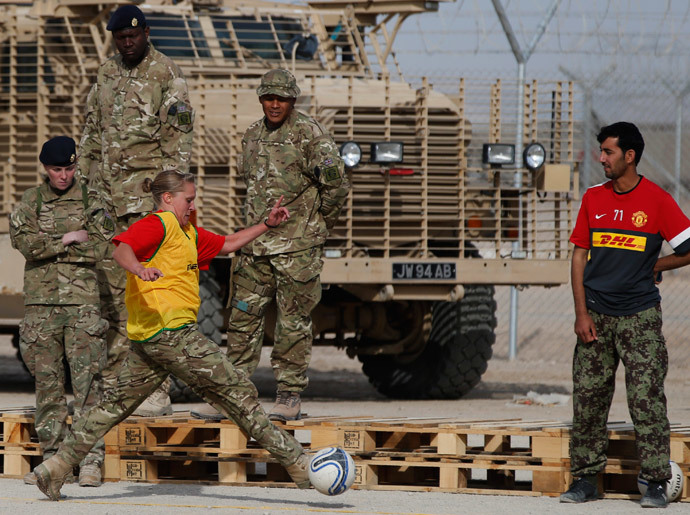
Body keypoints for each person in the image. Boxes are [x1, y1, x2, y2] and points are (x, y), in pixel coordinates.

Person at [32, 170, 312, 501]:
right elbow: (121, 249)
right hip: (173, 334)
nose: (192, 206)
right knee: (238, 391)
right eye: (188, 200)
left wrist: (267, 225)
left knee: (112, 406)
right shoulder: (158, 224)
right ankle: (300, 465)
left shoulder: (187, 233)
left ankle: (55, 468)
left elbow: (228, 243)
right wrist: (139, 269)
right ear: (168, 198)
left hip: (150, 341)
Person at [192, 68, 350, 422]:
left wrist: (316, 224)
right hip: (255, 247)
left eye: (281, 98)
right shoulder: (252, 135)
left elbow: (336, 187)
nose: (274, 104)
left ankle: (289, 396)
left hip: (297, 250)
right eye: (268, 97)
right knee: (242, 321)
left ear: (292, 100)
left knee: (293, 323)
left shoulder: (312, 136)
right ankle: (229, 396)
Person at [560, 122, 690, 508]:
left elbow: (688, 247)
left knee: (647, 399)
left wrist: (657, 264)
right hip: (596, 316)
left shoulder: (657, 200)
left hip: (640, 318)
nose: (601, 158)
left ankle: (654, 482)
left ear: (629, 156)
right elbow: (579, 255)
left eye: (608, 152)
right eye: (601, 151)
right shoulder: (593, 198)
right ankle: (585, 480)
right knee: (588, 399)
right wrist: (581, 314)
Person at [78, 4, 195, 416]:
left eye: (133, 36)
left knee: (151, 295)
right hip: (107, 205)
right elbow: (92, 134)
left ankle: (157, 389)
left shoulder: (166, 74)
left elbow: (177, 145)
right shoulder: (106, 73)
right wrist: (86, 191)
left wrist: (168, 207)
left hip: (145, 208)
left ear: (145, 32)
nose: (127, 43)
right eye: (120, 38)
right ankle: (116, 386)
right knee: (111, 296)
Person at [9, 137, 114, 488]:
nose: (64, 175)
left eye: (69, 168)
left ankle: (89, 461)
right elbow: (24, 243)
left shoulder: (91, 199)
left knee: (88, 387)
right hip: (41, 307)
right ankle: (54, 460)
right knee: (48, 386)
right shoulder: (30, 200)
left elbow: (102, 246)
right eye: (57, 169)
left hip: (83, 305)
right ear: (45, 169)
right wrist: (67, 239)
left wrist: (49, 245)